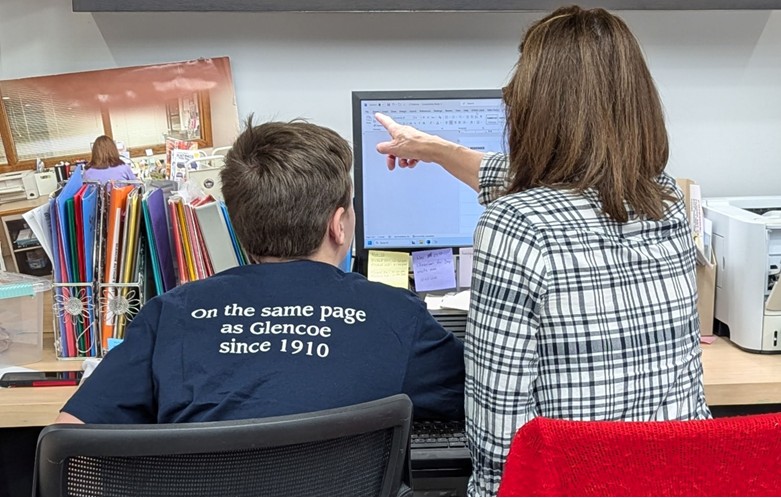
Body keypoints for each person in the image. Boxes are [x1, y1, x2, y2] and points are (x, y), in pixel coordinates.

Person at [374, 6, 710, 496]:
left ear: (535, 108)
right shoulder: (666, 200)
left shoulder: (516, 225)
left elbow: (499, 439)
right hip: (680, 481)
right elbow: (544, 182)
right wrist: (435, 149)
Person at [55, 118, 465, 425]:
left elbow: (69, 438)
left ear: (239, 226)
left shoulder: (171, 314)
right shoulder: (396, 315)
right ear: (338, 225)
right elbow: (488, 399)